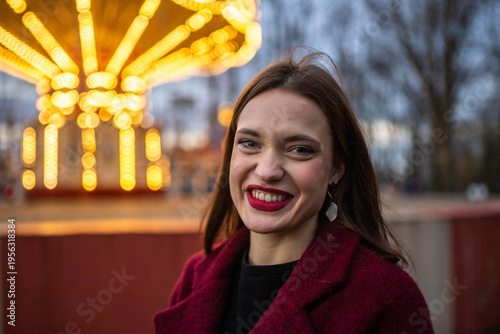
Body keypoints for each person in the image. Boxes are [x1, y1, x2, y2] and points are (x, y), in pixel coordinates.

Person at [154, 47, 434, 333]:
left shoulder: (386, 296)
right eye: (250, 143)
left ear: (337, 168)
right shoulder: (194, 278)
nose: (267, 170)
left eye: (299, 149)